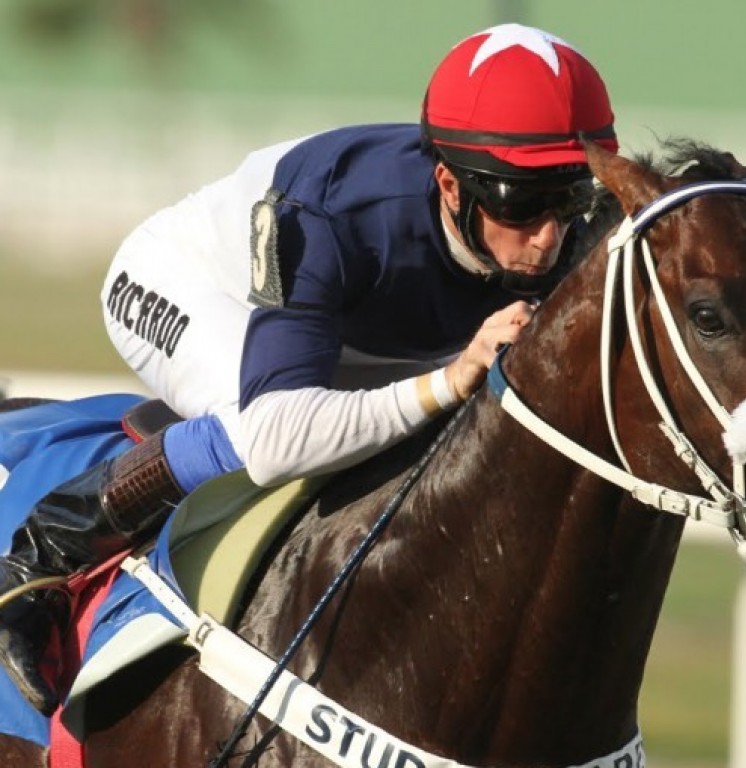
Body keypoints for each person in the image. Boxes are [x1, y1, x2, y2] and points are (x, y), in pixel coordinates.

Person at [0, 23, 618, 714]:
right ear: (449, 183)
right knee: (269, 439)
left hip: (354, 333)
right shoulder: (329, 212)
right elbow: (279, 434)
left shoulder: (568, 228)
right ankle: (42, 556)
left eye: (571, 199)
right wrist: (448, 382)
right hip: (189, 285)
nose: (550, 235)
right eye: (523, 204)